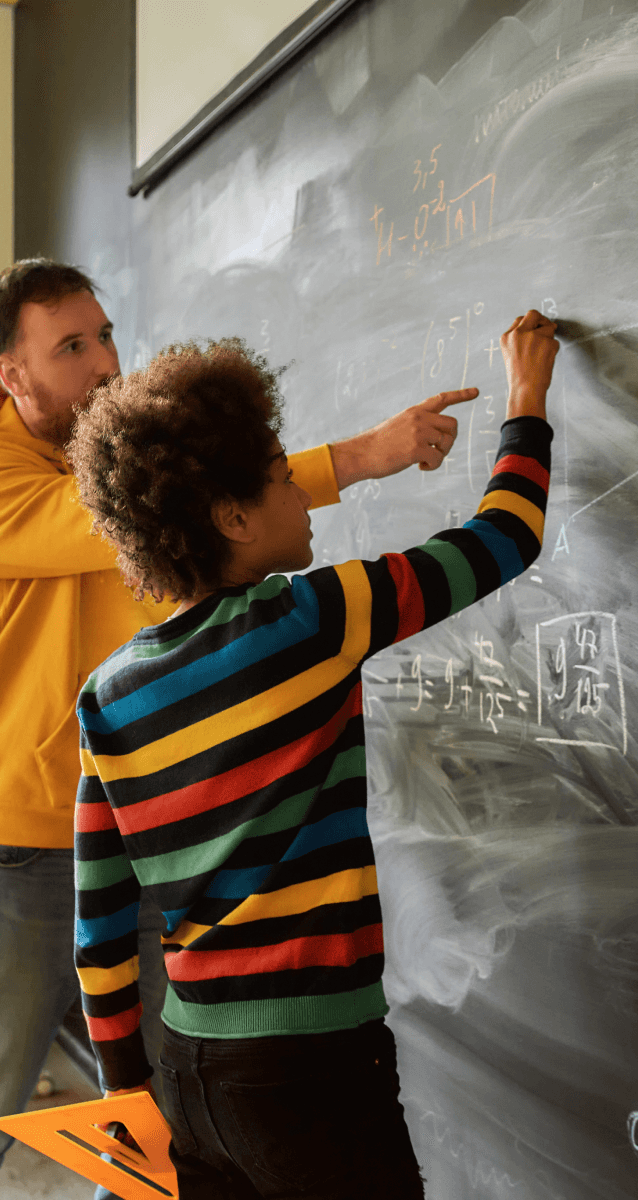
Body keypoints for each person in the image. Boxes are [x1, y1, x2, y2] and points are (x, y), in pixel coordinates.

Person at [0, 257, 463, 1200]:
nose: (104, 362)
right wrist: (360, 457)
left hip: (139, 827)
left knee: (147, 1104)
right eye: (72, 346)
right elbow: (104, 519)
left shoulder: (121, 455)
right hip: (17, 837)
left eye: (106, 335)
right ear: (12, 374)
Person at [67, 311, 559, 1199]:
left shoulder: (107, 693)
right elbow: (505, 539)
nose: (301, 495)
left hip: (187, 1074)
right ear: (231, 517)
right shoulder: (308, 617)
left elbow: (99, 934)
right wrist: (528, 396)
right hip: (310, 1074)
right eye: (278, 478)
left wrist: (126, 1094)